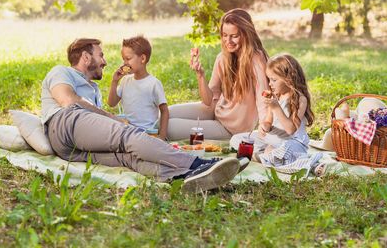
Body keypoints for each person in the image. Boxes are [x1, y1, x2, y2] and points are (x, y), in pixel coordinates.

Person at [41, 38, 247, 192]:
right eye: (100, 55)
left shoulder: (93, 89)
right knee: (128, 135)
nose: (104, 61)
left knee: (128, 158)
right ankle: (198, 164)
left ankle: (188, 177)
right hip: (65, 123)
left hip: (70, 149)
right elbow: (67, 100)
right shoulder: (61, 71)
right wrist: (113, 118)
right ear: (86, 57)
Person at [167, 9, 269, 140]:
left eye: (234, 36)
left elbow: (264, 99)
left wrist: (265, 127)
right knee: (165, 114)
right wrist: (200, 75)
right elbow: (208, 101)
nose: (228, 41)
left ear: (246, 34)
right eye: (225, 35)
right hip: (215, 111)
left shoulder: (256, 59)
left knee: (168, 127)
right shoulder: (223, 58)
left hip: (230, 129)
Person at [255, 53, 325, 176]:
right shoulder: (276, 96)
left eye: (274, 80)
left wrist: (276, 107)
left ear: (289, 79)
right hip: (277, 140)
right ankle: (271, 157)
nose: (270, 84)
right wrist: (264, 126)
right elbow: (268, 121)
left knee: (284, 148)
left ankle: (311, 165)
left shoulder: (300, 99)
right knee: (240, 139)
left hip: (294, 143)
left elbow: (291, 129)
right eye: (269, 79)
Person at [107, 36, 169, 140]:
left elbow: (164, 111)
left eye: (128, 58)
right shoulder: (125, 81)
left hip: (147, 133)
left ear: (143, 59)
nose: (124, 63)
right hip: (127, 132)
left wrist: (162, 137)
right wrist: (114, 81)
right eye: (123, 59)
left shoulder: (153, 84)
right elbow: (111, 103)